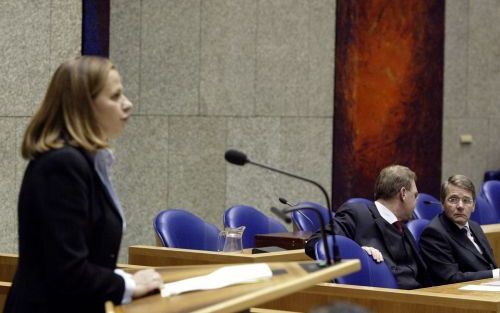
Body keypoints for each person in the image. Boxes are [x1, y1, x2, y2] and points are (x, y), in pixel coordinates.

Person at [4, 56, 163, 313]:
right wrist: (130, 285)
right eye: (115, 96)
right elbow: (67, 270)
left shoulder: (86, 161)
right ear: (83, 105)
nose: (128, 104)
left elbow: (91, 260)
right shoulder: (62, 166)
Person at [305, 165, 431, 289]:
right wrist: (356, 252)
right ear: (403, 193)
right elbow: (314, 243)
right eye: (414, 195)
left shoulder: (403, 228)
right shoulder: (358, 214)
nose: (416, 202)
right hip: (385, 300)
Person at [419, 174, 498, 285]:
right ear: (442, 204)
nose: (460, 206)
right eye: (453, 200)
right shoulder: (434, 233)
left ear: (474, 206)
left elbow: (489, 264)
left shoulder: (474, 226)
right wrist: (495, 274)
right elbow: (451, 278)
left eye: (466, 201)